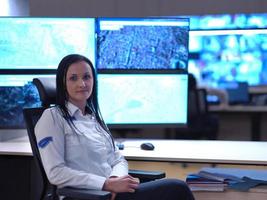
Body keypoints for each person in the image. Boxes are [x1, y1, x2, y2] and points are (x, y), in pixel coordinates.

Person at [35, 54, 195, 200]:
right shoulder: (52, 117)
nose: (82, 83)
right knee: (177, 189)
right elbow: (56, 173)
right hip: (84, 196)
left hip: (110, 193)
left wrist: (115, 179)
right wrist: (104, 184)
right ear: (62, 82)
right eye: (73, 78)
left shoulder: (93, 118)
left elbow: (118, 159)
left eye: (86, 77)